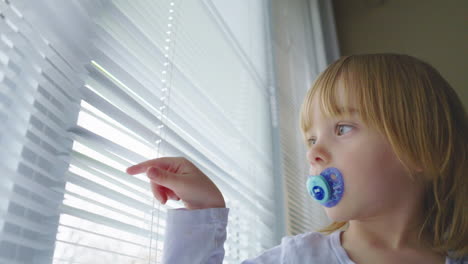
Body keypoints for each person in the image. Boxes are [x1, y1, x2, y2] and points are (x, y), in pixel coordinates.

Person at [126, 53, 467, 263]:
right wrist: (202, 211)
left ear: (422, 148)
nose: (313, 153)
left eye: (343, 128)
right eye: (311, 138)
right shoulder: (297, 259)